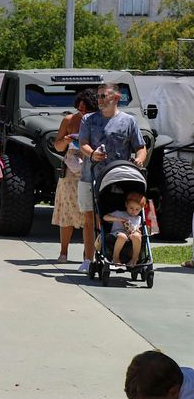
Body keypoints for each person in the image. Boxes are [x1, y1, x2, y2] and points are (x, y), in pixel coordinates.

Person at [78, 82, 146, 273]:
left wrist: (139, 160)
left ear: (115, 98)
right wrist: (92, 154)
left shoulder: (129, 121)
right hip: (90, 175)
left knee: (113, 216)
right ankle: (87, 259)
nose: (98, 100)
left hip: (118, 177)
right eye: (98, 96)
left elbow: (140, 147)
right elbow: (82, 143)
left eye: (102, 96)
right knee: (89, 218)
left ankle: (118, 255)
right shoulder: (89, 120)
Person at [52, 89, 98, 262]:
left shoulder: (98, 122)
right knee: (67, 211)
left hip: (91, 167)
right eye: (80, 109)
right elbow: (57, 146)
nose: (82, 112)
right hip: (71, 169)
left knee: (91, 213)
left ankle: (89, 253)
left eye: (86, 110)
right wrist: (66, 140)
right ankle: (63, 252)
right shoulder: (69, 120)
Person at [105, 192, 146, 268]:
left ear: (141, 209)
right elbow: (105, 217)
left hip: (131, 235)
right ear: (126, 205)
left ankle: (134, 259)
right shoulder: (119, 213)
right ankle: (115, 257)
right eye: (131, 208)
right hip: (117, 233)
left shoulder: (138, 218)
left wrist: (136, 230)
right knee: (122, 236)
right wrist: (117, 219)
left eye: (137, 209)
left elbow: (137, 228)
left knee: (137, 236)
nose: (133, 211)